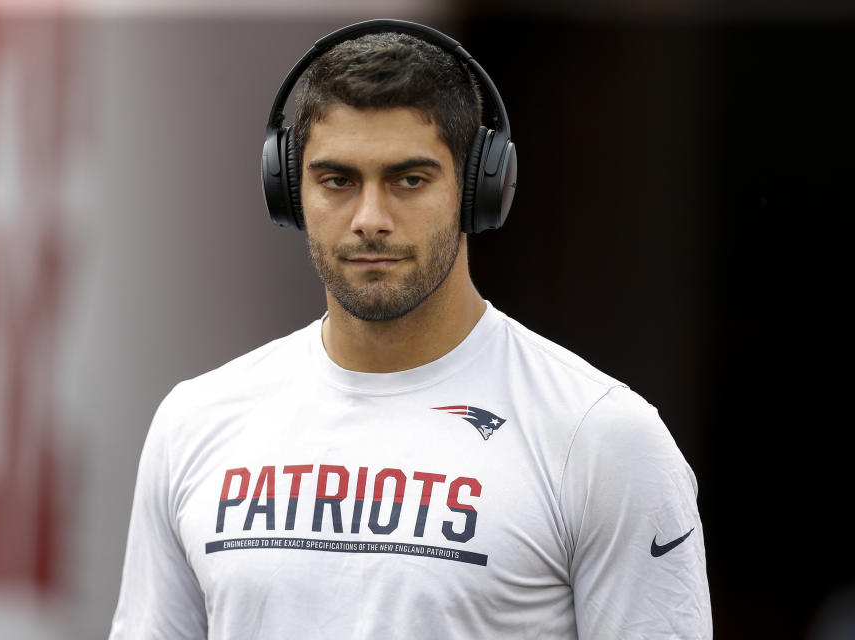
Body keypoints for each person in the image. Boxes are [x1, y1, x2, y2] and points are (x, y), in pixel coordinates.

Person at [109, 20, 711, 639]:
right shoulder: (197, 423)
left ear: (479, 189)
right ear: (288, 190)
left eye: (409, 180)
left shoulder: (600, 438)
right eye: (337, 180)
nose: (371, 219)